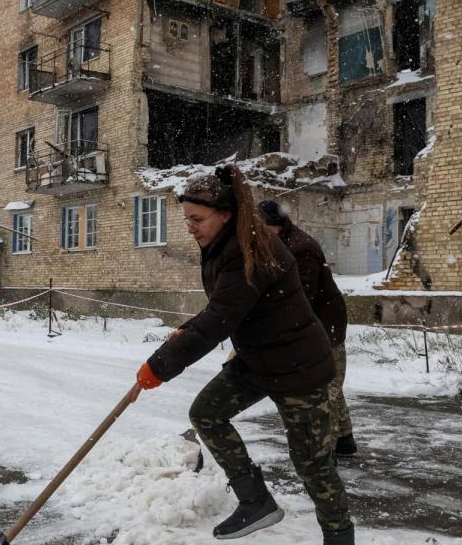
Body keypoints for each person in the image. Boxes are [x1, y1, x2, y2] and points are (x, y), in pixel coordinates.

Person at [135, 166, 355, 544]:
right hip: (258, 359)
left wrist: (161, 364)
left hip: (299, 366)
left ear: (225, 214)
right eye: (186, 218)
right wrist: (188, 330)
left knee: (312, 464)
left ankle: (339, 537)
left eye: (197, 219)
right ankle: (254, 500)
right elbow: (224, 307)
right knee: (207, 412)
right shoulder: (225, 242)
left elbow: (221, 317)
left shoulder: (251, 250)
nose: (190, 227)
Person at [258, 200, 356, 456]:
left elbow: (301, 298)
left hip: (325, 325)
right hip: (314, 322)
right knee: (331, 384)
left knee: (326, 389)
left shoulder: (300, 248)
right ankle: (345, 439)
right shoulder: (281, 243)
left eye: (262, 228)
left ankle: (326, 453)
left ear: (276, 225)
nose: (258, 234)